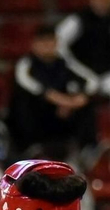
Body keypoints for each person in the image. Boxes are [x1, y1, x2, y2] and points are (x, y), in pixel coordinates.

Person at [9, 26, 95, 157]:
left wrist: (77, 99)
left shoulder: (65, 62)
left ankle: (85, 148)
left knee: (87, 103)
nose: (47, 46)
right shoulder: (26, 64)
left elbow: (92, 81)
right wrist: (61, 100)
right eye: (43, 42)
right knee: (23, 101)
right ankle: (31, 147)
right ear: (35, 44)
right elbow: (30, 85)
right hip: (38, 112)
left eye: (51, 41)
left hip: (63, 113)